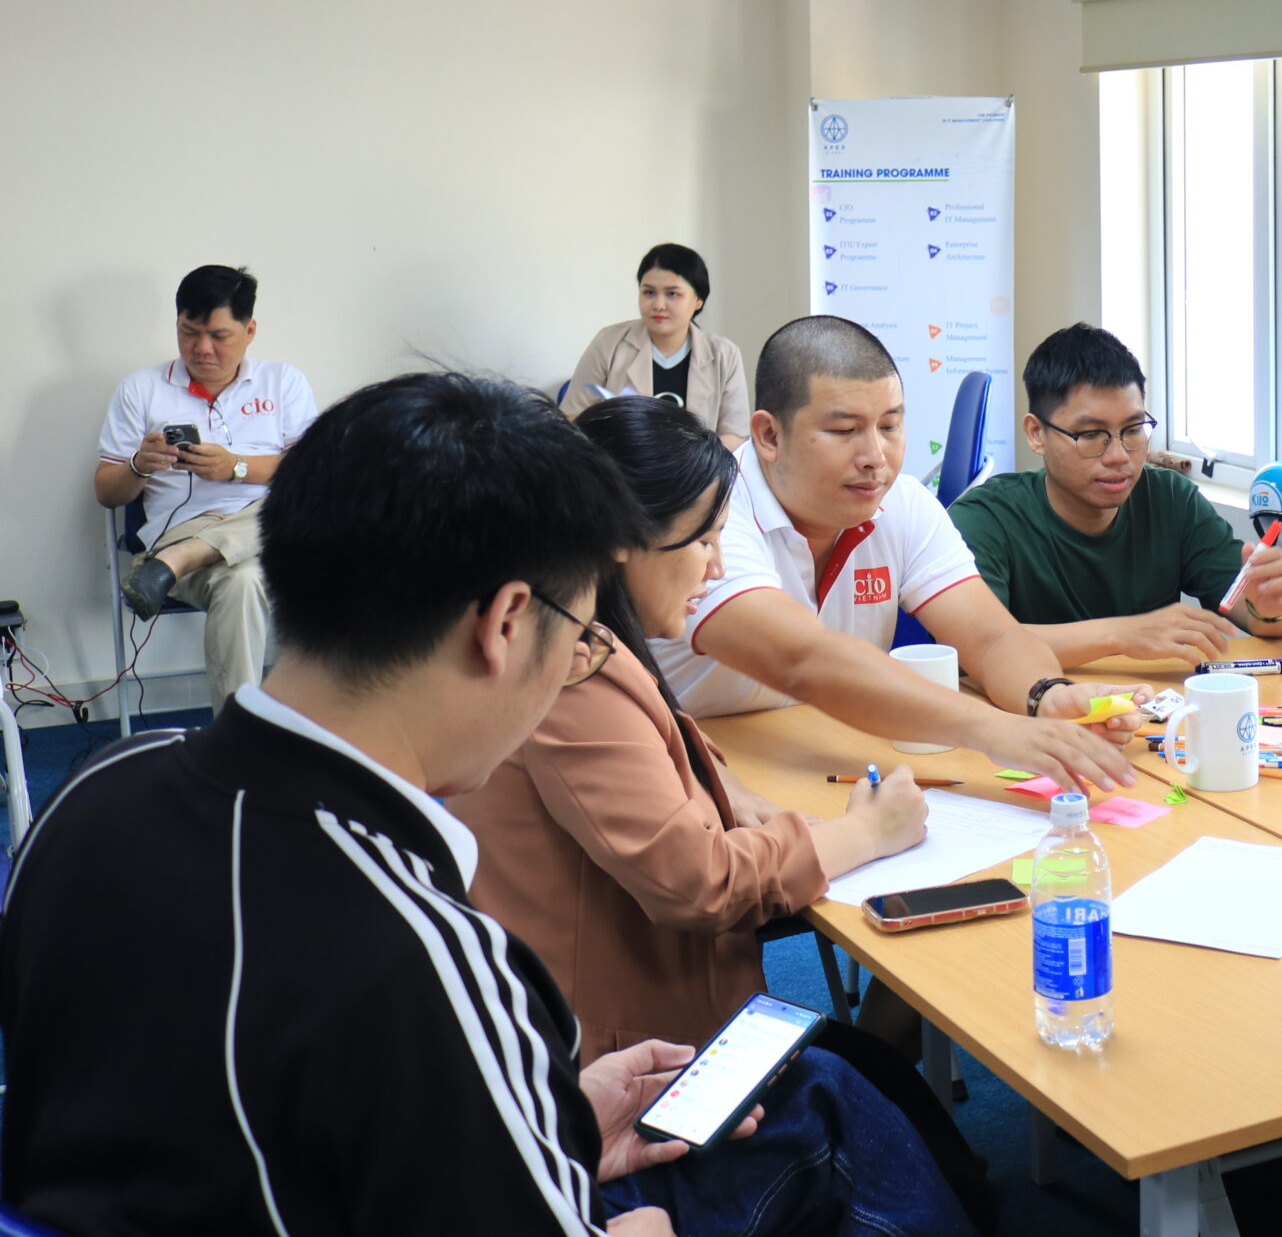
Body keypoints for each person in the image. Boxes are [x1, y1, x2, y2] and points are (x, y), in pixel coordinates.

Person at [6, 369, 921, 1236]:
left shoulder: (89, 796)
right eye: (577, 630)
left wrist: (543, 1118)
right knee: (835, 1109)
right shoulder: (425, 949)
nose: (578, 660)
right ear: (506, 624)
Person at [450, 393, 995, 1232]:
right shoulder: (575, 677)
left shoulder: (591, 644)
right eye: (701, 540)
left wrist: (744, 801)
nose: (715, 566)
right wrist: (863, 832)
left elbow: (668, 770)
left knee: (882, 1087)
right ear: (622, 542)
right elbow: (700, 883)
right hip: (629, 1069)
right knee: (861, 1103)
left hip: (645, 1034)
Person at [654, 315, 1142, 791]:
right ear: (769, 436)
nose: (875, 457)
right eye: (844, 431)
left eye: (890, 426)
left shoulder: (902, 504)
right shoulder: (709, 515)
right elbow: (801, 659)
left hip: (827, 762)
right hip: (700, 775)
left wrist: (1047, 696)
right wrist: (994, 729)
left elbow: (992, 639)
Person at [948, 324, 1282, 667]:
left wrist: (1268, 609)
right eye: (1090, 435)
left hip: (1150, 704)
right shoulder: (985, 519)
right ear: (1036, 433)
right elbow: (974, 644)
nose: (1118, 456)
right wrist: (1122, 635)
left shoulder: (1171, 500)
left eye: (1132, 430)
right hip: (1036, 703)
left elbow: (1260, 618)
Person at [91, 263, 317, 706]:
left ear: (249, 331)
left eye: (218, 335)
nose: (201, 348)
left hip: (271, 538)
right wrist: (139, 466)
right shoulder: (140, 389)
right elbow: (106, 493)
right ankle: (243, 733)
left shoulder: (283, 382)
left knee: (307, 510)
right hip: (186, 532)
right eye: (188, 332)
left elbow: (311, 471)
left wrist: (236, 467)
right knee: (246, 577)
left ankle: (176, 561)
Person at [568, 242, 750, 450]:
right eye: (649, 293)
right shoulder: (609, 342)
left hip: (697, 468)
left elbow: (735, 435)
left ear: (698, 300)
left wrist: (693, 462)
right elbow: (571, 417)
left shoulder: (724, 354)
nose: (658, 305)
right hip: (619, 463)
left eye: (672, 294)